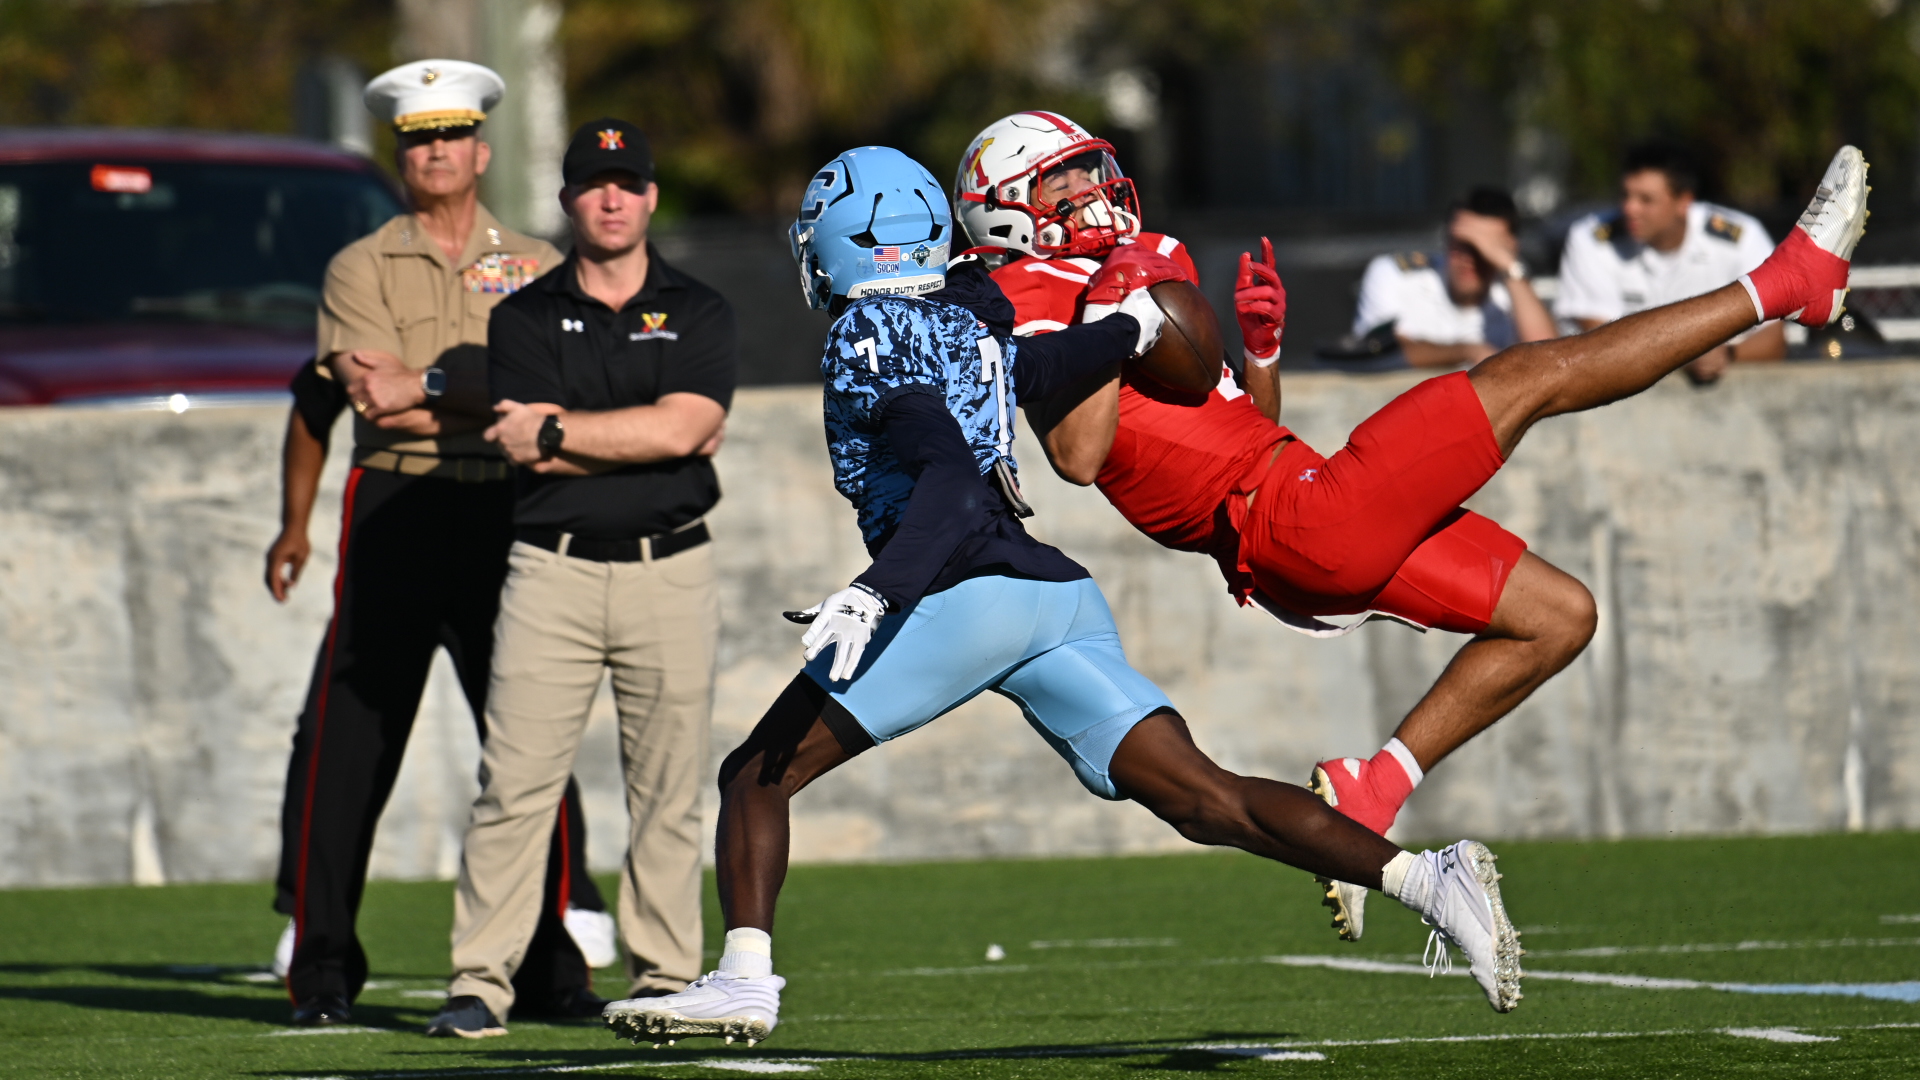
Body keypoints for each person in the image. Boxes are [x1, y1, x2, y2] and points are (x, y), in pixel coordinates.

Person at [598, 146, 1526, 1050]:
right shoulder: (963, 320)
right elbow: (1041, 369)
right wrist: (1129, 331)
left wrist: (877, 592)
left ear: (849, 240)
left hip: (965, 592)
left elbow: (948, 481)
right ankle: (1428, 881)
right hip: (1054, 597)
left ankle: (745, 978)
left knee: (755, 774)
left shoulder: (866, 334)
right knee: (1208, 800)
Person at [951, 114, 1866, 943]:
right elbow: (1077, 455)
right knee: (1527, 377)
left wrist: (1261, 352)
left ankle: (1373, 787)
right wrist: (1112, 316)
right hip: (1293, 518)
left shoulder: (1130, 262)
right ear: (1005, 210)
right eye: (1064, 181)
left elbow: (1238, 429)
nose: (1093, 191)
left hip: (1289, 509)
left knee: (1558, 617)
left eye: (1092, 170)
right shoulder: (1024, 292)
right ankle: (1789, 283)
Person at [266, 59, 610, 1028]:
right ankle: (322, 970)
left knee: (531, 738)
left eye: (452, 134)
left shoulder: (539, 265)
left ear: (482, 150)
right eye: (418, 138)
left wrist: (426, 388)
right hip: (396, 508)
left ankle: (551, 969)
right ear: (401, 154)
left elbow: (553, 395)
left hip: (509, 512)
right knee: (347, 744)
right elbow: (368, 403)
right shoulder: (360, 266)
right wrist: (485, 399)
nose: (436, 151)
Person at [426, 118, 738, 1039]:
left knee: (668, 791)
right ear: (567, 199)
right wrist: (641, 434)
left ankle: (665, 980)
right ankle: (479, 983)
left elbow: (685, 428)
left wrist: (565, 430)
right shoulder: (521, 316)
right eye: (595, 184)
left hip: (670, 569)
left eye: (628, 183)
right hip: (549, 575)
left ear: (650, 196)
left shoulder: (700, 309)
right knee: (513, 786)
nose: (612, 199)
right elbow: (529, 445)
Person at [1555, 140, 1784, 384]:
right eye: (1625, 195)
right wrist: (1685, 354)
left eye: (1646, 199)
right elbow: (1600, 346)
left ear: (1683, 202)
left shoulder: (1741, 238)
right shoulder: (1591, 240)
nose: (1630, 208)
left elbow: (1774, 341)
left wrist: (1727, 354)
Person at [1351, 186, 1558, 368]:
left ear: (1510, 248)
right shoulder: (1396, 275)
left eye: (1485, 249)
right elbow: (1377, 352)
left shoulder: (1512, 292)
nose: (1469, 258)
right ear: (1446, 238)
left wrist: (1510, 267)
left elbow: (1549, 362)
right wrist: (1468, 351)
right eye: (1462, 244)